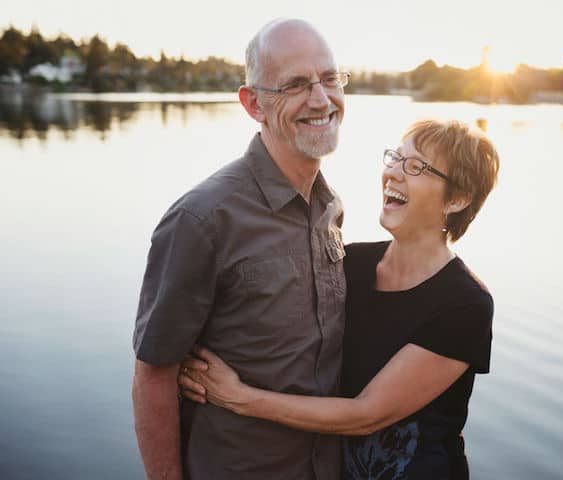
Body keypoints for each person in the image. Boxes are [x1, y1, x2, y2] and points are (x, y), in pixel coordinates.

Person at [180, 118, 500, 479]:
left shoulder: (464, 304)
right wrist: (196, 366)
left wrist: (239, 397)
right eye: (395, 158)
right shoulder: (351, 264)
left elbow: (366, 414)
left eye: (415, 166)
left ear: (457, 199)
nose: (393, 173)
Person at [132, 19, 349, 480]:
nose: (321, 99)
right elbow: (153, 375)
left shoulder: (330, 208)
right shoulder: (202, 220)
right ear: (254, 105)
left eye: (330, 78)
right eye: (295, 85)